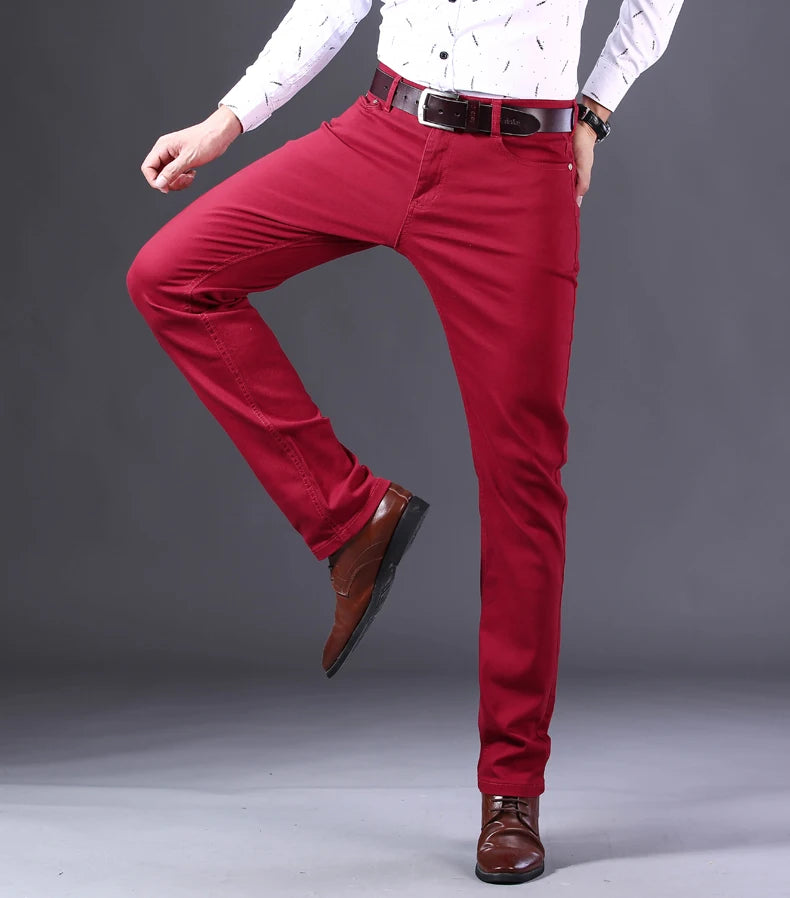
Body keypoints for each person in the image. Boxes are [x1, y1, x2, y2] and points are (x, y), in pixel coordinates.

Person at [125, 0, 685, 885]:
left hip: (517, 168)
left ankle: (511, 793)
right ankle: (352, 518)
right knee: (171, 276)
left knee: (523, 479)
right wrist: (228, 119)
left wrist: (597, 107)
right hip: (380, 132)